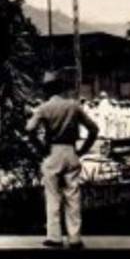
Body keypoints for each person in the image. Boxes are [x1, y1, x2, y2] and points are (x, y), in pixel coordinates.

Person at [26, 71, 99, 249]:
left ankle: (55, 237)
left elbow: (29, 129)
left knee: (53, 196)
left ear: (47, 90)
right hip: (71, 150)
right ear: (61, 88)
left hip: (53, 151)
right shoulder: (73, 106)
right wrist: (83, 149)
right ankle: (75, 238)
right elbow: (94, 129)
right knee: (73, 196)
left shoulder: (44, 108)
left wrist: (40, 148)